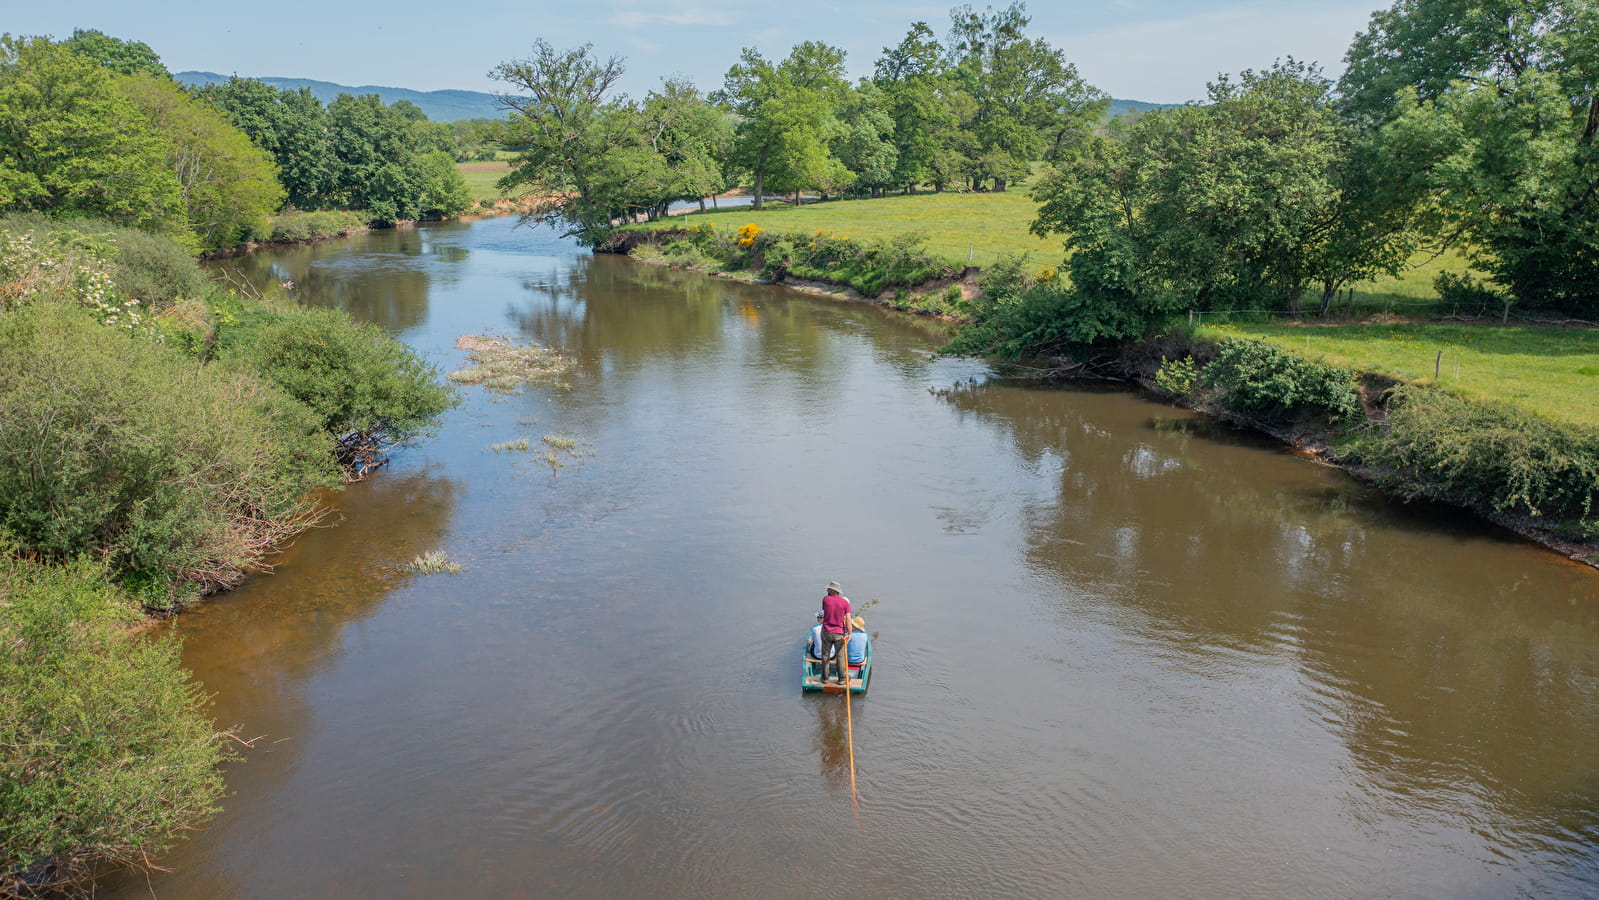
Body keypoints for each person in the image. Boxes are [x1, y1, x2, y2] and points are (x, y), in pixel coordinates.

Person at [819, 581, 852, 684]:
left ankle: (825, 678)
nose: (827, 590)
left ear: (833, 590)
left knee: (825, 655)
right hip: (839, 633)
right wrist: (850, 633)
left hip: (826, 632)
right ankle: (842, 678)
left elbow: (825, 611)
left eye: (828, 589)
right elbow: (848, 619)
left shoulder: (825, 599)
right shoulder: (845, 603)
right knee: (840, 656)